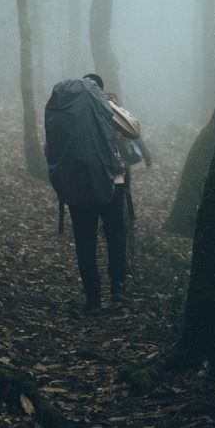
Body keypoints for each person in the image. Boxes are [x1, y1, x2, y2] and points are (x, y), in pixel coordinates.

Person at [44, 73, 150, 314]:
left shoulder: (64, 109)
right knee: (115, 234)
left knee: (84, 240)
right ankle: (117, 289)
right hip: (111, 181)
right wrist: (114, 106)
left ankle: (93, 299)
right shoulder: (103, 103)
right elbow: (134, 130)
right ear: (98, 90)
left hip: (76, 184)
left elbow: (50, 147)